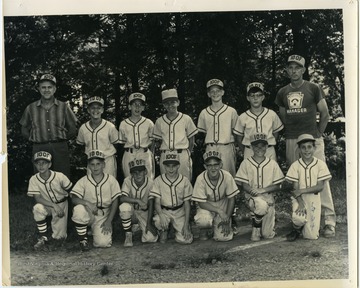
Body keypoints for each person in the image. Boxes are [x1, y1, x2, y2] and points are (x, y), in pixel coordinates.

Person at [275, 54, 336, 237]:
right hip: (293, 139)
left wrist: (317, 134)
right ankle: (300, 220)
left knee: (321, 179)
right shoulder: (282, 92)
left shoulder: (313, 88)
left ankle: (329, 221)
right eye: (290, 67)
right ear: (287, 70)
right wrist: (291, 134)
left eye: (297, 67)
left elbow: (324, 114)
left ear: (303, 69)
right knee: (296, 179)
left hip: (312, 139)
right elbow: (284, 117)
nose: (294, 71)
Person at [20, 74, 77, 178]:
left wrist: (62, 141)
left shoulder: (64, 107)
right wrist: (33, 139)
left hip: (60, 147)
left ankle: (63, 195)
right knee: (41, 178)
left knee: (62, 177)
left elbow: (73, 128)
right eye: (43, 87)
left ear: (54, 89)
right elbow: (24, 128)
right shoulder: (31, 108)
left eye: (49, 87)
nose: (47, 90)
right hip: (39, 146)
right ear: (39, 89)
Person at [235, 133, 284, 241]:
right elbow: (244, 184)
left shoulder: (272, 164)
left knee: (267, 235)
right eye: (256, 146)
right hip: (253, 197)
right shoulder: (246, 163)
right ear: (251, 147)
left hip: (268, 198)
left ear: (267, 147)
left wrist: (263, 190)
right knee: (260, 205)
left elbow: (278, 185)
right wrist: (254, 191)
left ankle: (262, 223)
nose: (259, 148)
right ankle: (256, 229)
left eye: (262, 145)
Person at [284, 134, 332, 241]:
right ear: (299, 150)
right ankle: (296, 229)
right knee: (299, 218)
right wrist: (300, 203)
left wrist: (301, 190)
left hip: (314, 198)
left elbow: (320, 187)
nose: (306, 150)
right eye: (303, 147)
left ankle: (307, 227)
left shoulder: (320, 164)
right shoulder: (295, 165)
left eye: (309, 147)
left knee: (311, 236)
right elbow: (294, 190)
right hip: (299, 198)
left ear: (315, 148)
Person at [70, 150, 121, 251]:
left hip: (104, 214)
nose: (95, 167)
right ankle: (83, 240)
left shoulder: (111, 180)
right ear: (88, 166)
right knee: (79, 209)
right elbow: (74, 198)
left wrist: (109, 221)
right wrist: (87, 203)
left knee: (103, 243)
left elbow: (116, 200)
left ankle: (91, 230)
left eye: (98, 164)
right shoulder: (84, 180)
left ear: (104, 165)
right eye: (92, 164)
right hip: (89, 212)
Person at [27, 151, 73, 250]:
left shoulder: (60, 176)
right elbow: (38, 198)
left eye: (44, 163)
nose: (41, 165)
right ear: (35, 165)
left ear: (50, 164)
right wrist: (53, 205)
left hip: (61, 203)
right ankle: (43, 237)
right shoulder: (33, 179)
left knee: (59, 237)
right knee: (37, 208)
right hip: (46, 205)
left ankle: (58, 229)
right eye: (38, 163)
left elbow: (71, 191)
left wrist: (72, 209)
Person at [192, 150, 239, 241]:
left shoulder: (227, 176)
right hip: (207, 204)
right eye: (209, 165)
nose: (213, 168)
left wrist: (227, 219)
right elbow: (201, 203)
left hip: (223, 202)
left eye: (216, 164)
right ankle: (205, 229)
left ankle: (220, 227)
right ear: (205, 166)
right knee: (203, 220)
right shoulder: (200, 178)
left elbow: (231, 199)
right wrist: (219, 211)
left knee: (224, 238)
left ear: (220, 165)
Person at [153, 88, 198, 181]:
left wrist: (187, 153)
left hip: (182, 154)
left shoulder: (186, 118)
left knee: (185, 183)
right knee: (166, 184)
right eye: (167, 103)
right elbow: (157, 140)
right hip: (166, 154)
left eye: (173, 102)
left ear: (178, 102)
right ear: (164, 105)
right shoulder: (159, 121)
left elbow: (192, 140)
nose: (170, 105)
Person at [149, 151, 193, 244]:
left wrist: (185, 225)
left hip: (180, 211)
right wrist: (161, 215)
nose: (171, 168)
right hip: (165, 211)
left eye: (174, 165)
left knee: (186, 240)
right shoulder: (158, 180)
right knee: (158, 220)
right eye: (168, 166)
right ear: (164, 166)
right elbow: (157, 202)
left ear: (178, 166)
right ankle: (164, 230)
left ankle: (176, 229)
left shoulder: (184, 180)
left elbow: (187, 204)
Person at [197, 79, 238, 177]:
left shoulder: (231, 111)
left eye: (218, 91)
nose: (215, 93)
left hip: (226, 147)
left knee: (228, 176)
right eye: (212, 91)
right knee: (211, 177)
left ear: (222, 92)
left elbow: (236, 133)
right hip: (210, 147)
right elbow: (203, 133)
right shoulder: (204, 112)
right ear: (208, 94)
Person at [234, 82, 283, 160]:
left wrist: (269, 145)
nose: (255, 98)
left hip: (268, 150)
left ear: (263, 97)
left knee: (270, 172)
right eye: (252, 95)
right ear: (247, 98)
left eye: (258, 95)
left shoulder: (271, 114)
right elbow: (239, 139)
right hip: (250, 150)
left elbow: (276, 134)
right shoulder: (243, 117)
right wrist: (246, 151)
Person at [119, 158, 158, 247]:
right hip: (132, 212)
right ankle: (128, 234)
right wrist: (137, 200)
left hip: (145, 212)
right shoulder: (127, 181)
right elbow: (122, 198)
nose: (138, 175)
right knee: (124, 207)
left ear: (145, 172)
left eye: (140, 171)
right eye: (134, 172)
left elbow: (151, 203)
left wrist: (149, 224)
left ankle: (140, 227)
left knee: (150, 239)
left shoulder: (151, 183)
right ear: (131, 174)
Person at [76, 96, 119, 177]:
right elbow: (80, 145)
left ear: (102, 110)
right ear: (88, 110)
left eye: (98, 108)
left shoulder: (110, 126)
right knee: (92, 187)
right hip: (91, 162)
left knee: (109, 186)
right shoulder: (83, 128)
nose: (95, 110)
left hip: (107, 161)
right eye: (92, 108)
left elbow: (117, 144)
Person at [119, 92, 155, 179]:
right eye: (135, 104)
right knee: (129, 180)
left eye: (140, 105)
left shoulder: (148, 123)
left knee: (148, 180)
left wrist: (151, 155)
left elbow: (153, 142)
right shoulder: (123, 124)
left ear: (143, 107)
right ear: (129, 106)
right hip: (129, 153)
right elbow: (121, 143)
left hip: (144, 153)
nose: (137, 107)